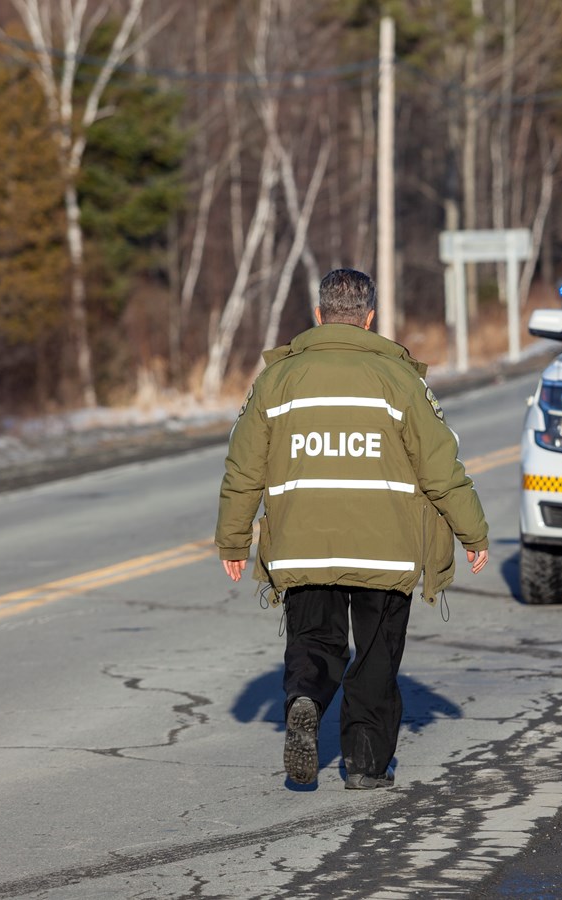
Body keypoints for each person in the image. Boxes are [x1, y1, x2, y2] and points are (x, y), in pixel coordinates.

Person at [215, 268, 489, 790]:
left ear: (318, 316)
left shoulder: (276, 380)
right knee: (377, 653)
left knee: (314, 638)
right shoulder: (400, 379)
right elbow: (439, 465)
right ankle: (364, 763)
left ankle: (305, 698)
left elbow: (244, 465)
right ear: (369, 319)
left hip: (302, 542)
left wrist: (233, 538)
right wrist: (471, 532)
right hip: (385, 548)